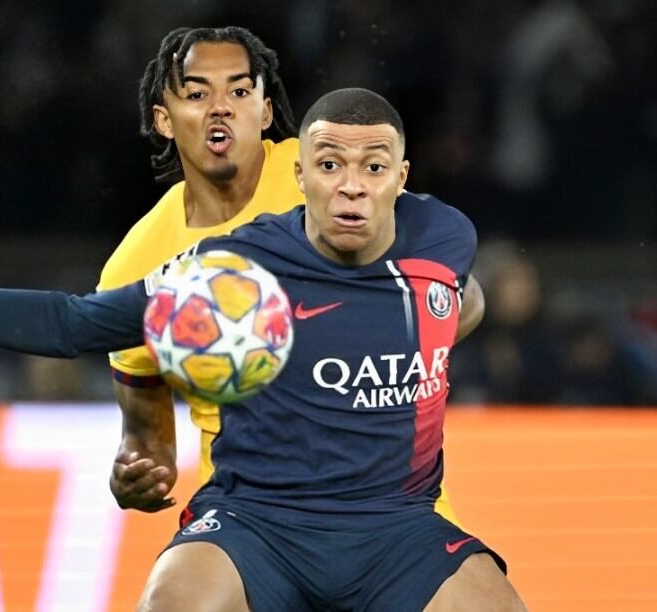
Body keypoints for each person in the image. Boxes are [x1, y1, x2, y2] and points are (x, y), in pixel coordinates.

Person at [0, 88, 522, 611]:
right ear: (300, 176)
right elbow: (71, 324)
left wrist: (454, 318)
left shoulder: (444, 238)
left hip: (396, 527)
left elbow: (460, 298)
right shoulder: (230, 273)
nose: (350, 187)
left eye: (372, 167)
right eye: (329, 165)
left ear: (403, 179)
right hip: (259, 524)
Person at [101, 26, 467, 525]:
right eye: (196, 93)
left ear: (265, 111)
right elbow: (146, 435)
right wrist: (136, 471)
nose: (221, 106)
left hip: (389, 502)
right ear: (164, 120)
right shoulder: (136, 264)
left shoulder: (332, 171)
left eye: (240, 90)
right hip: (249, 512)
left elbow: (456, 298)